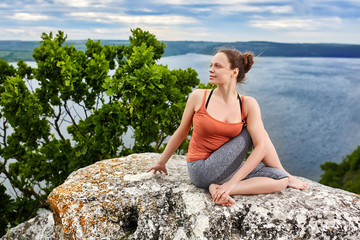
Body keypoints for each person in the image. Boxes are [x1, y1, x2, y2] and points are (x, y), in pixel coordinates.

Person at [146, 48, 308, 207]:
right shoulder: (199, 97)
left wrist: (232, 183)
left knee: (281, 180)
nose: (211, 70)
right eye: (211, 65)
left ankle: (221, 188)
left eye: (218, 66)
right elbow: (182, 131)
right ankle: (228, 185)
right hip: (201, 170)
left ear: (234, 72)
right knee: (257, 134)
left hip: (226, 169)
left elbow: (260, 149)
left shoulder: (247, 104)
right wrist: (161, 162)